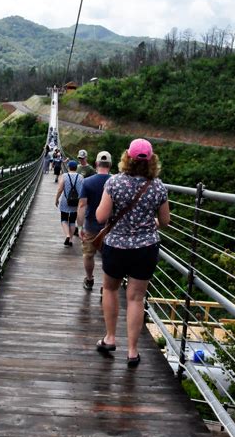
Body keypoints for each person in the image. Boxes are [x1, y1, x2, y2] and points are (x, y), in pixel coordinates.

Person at [95, 138, 170, 368]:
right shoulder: (158, 186)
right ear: (151, 160)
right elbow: (165, 221)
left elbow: (100, 217)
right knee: (136, 298)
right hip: (145, 249)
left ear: (127, 157)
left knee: (110, 289)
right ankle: (132, 352)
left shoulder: (114, 183)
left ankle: (109, 338)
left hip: (116, 247)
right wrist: (151, 222)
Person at [77, 151, 112, 290]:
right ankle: (106, 285)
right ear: (110, 164)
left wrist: (80, 227)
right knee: (108, 257)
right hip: (110, 227)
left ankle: (89, 279)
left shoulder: (87, 182)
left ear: (96, 164)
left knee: (88, 254)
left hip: (91, 225)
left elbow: (82, 205)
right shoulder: (116, 181)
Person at [55, 161, 84, 247]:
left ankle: (67, 235)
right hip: (76, 202)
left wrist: (56, 199)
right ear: (76, 168)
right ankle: (70, 240)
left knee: (64, 219)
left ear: (68, 167)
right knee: (72, 221)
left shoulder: (64, 176)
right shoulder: (81, 177)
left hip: (65, 201)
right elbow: (83, 190)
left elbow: (60, 189)